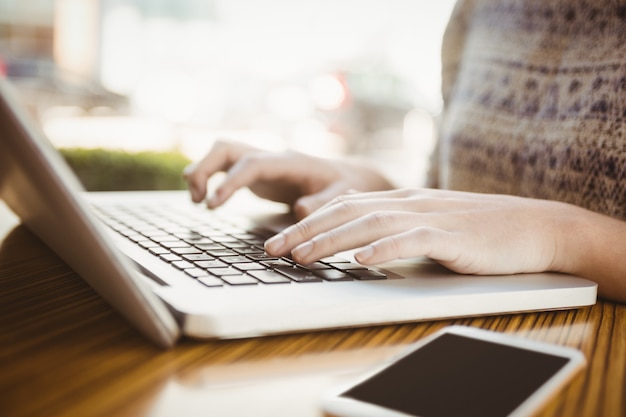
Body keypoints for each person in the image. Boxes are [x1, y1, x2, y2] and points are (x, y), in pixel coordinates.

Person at [184, 0, 626, 303]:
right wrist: (368, 191)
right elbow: (452, 193)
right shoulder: (480, 7)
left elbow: (517, 222)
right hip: (447, 324)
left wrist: (563, 233)